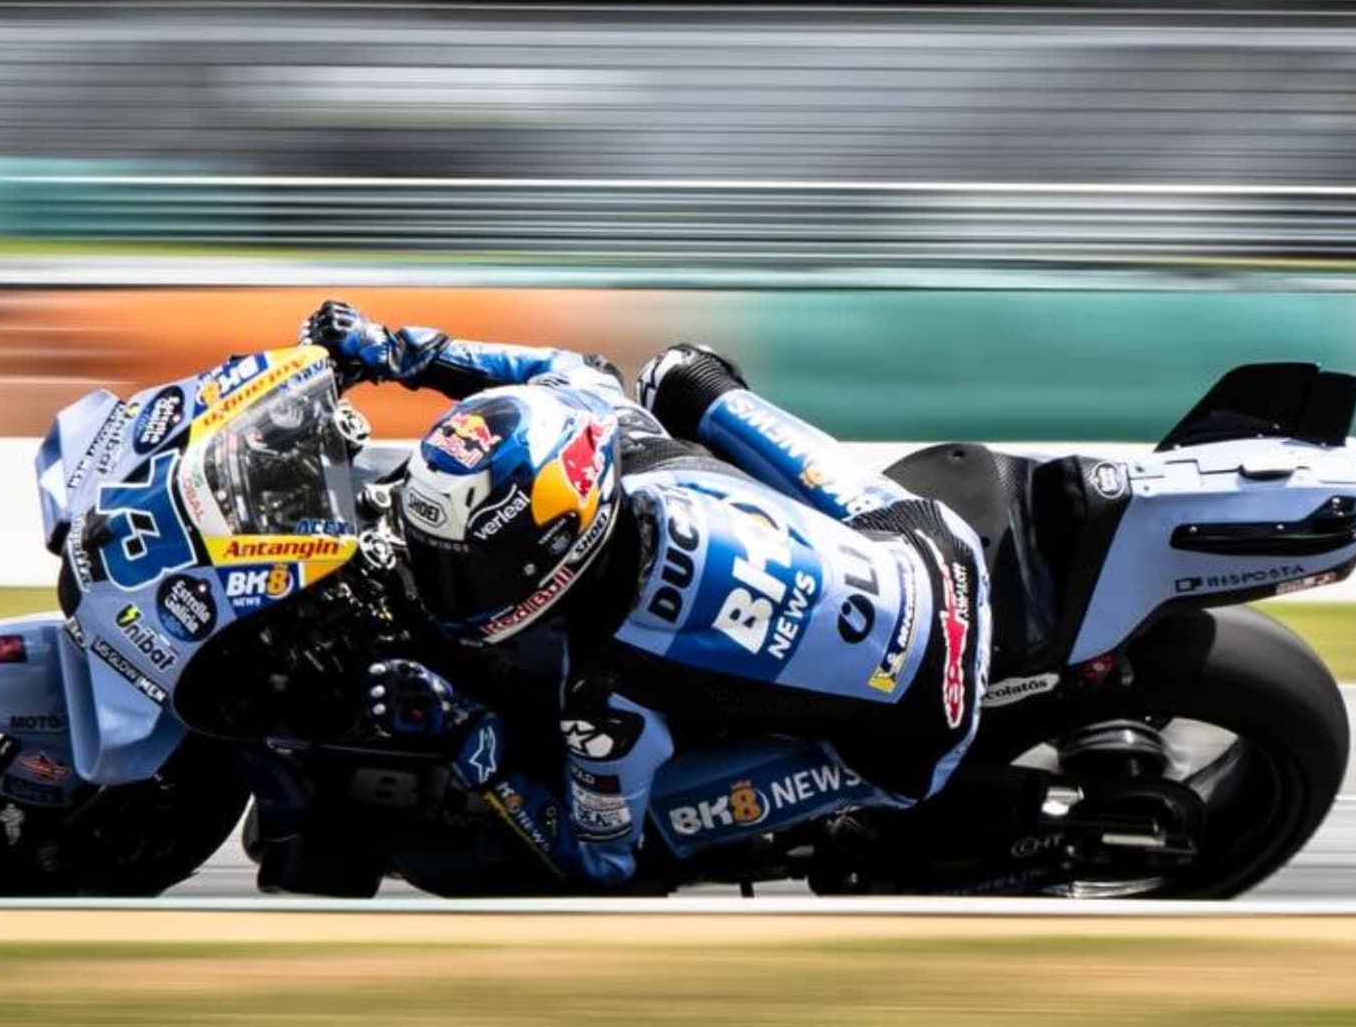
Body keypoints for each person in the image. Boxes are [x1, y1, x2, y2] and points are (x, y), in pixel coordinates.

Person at [300, 300, 991, 888]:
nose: (442, 580)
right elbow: (560, 371)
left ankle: (846, 811)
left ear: (551, 551)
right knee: (677, 375)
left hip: (921, 723)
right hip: (929, 542)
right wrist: (396, 352)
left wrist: (468, 736)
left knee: (651, 837)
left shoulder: (604, 692)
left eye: (466, 566)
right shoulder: (608, 428)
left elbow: (599, 862)